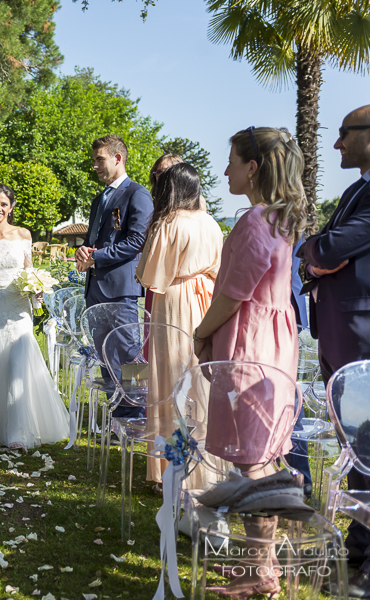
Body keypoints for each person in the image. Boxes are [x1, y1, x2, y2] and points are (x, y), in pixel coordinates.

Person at [193, 127, 307, 598]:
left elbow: (233, 294)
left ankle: (262, 578)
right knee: (259, 458)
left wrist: (201, 333)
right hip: (272, 345)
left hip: (251, 348)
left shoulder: (255, 221)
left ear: (252, 168)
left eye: (232, 161)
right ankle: (255, 565)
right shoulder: (279, 220)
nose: (225, 171)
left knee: (254, 466)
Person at [299, 104, 370, 597]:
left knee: (367, 446)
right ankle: (359, 548)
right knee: (356, 447)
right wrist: (318, 251)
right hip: (341, 332)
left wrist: (316, 251)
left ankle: (363, 560)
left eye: (345, 133)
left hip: (362, 335)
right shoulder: (355, 189)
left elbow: (326, 249)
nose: (337, 143)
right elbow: (322, 249)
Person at [0, 184, 71, 451]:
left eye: (3, 204)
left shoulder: (23, 234)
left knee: (19, 361)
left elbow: (28, 269)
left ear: (11, 207)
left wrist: (37, 289)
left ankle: (18, 431)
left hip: (19, 306)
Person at [135, 163, 223, 489]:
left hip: (174, 301)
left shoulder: (170, 223)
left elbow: (150, 275)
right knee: (200, 382)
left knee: (169, 381)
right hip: (206, 300)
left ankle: (171, 467)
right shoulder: (212, 223)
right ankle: (204, 465)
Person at [74, 135, 153, 422]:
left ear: (118, 158)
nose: (95, 165)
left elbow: (136, 241)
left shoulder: (138, 194)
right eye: (94, 160)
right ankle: (118, 416)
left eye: (100, 159)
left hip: (122, 292)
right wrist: (84, 253)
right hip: (95, 290)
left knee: (131, 358)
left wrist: (97, 256)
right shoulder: (100, 198)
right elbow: (94, 239)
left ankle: (136, 414)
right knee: (106, 358)